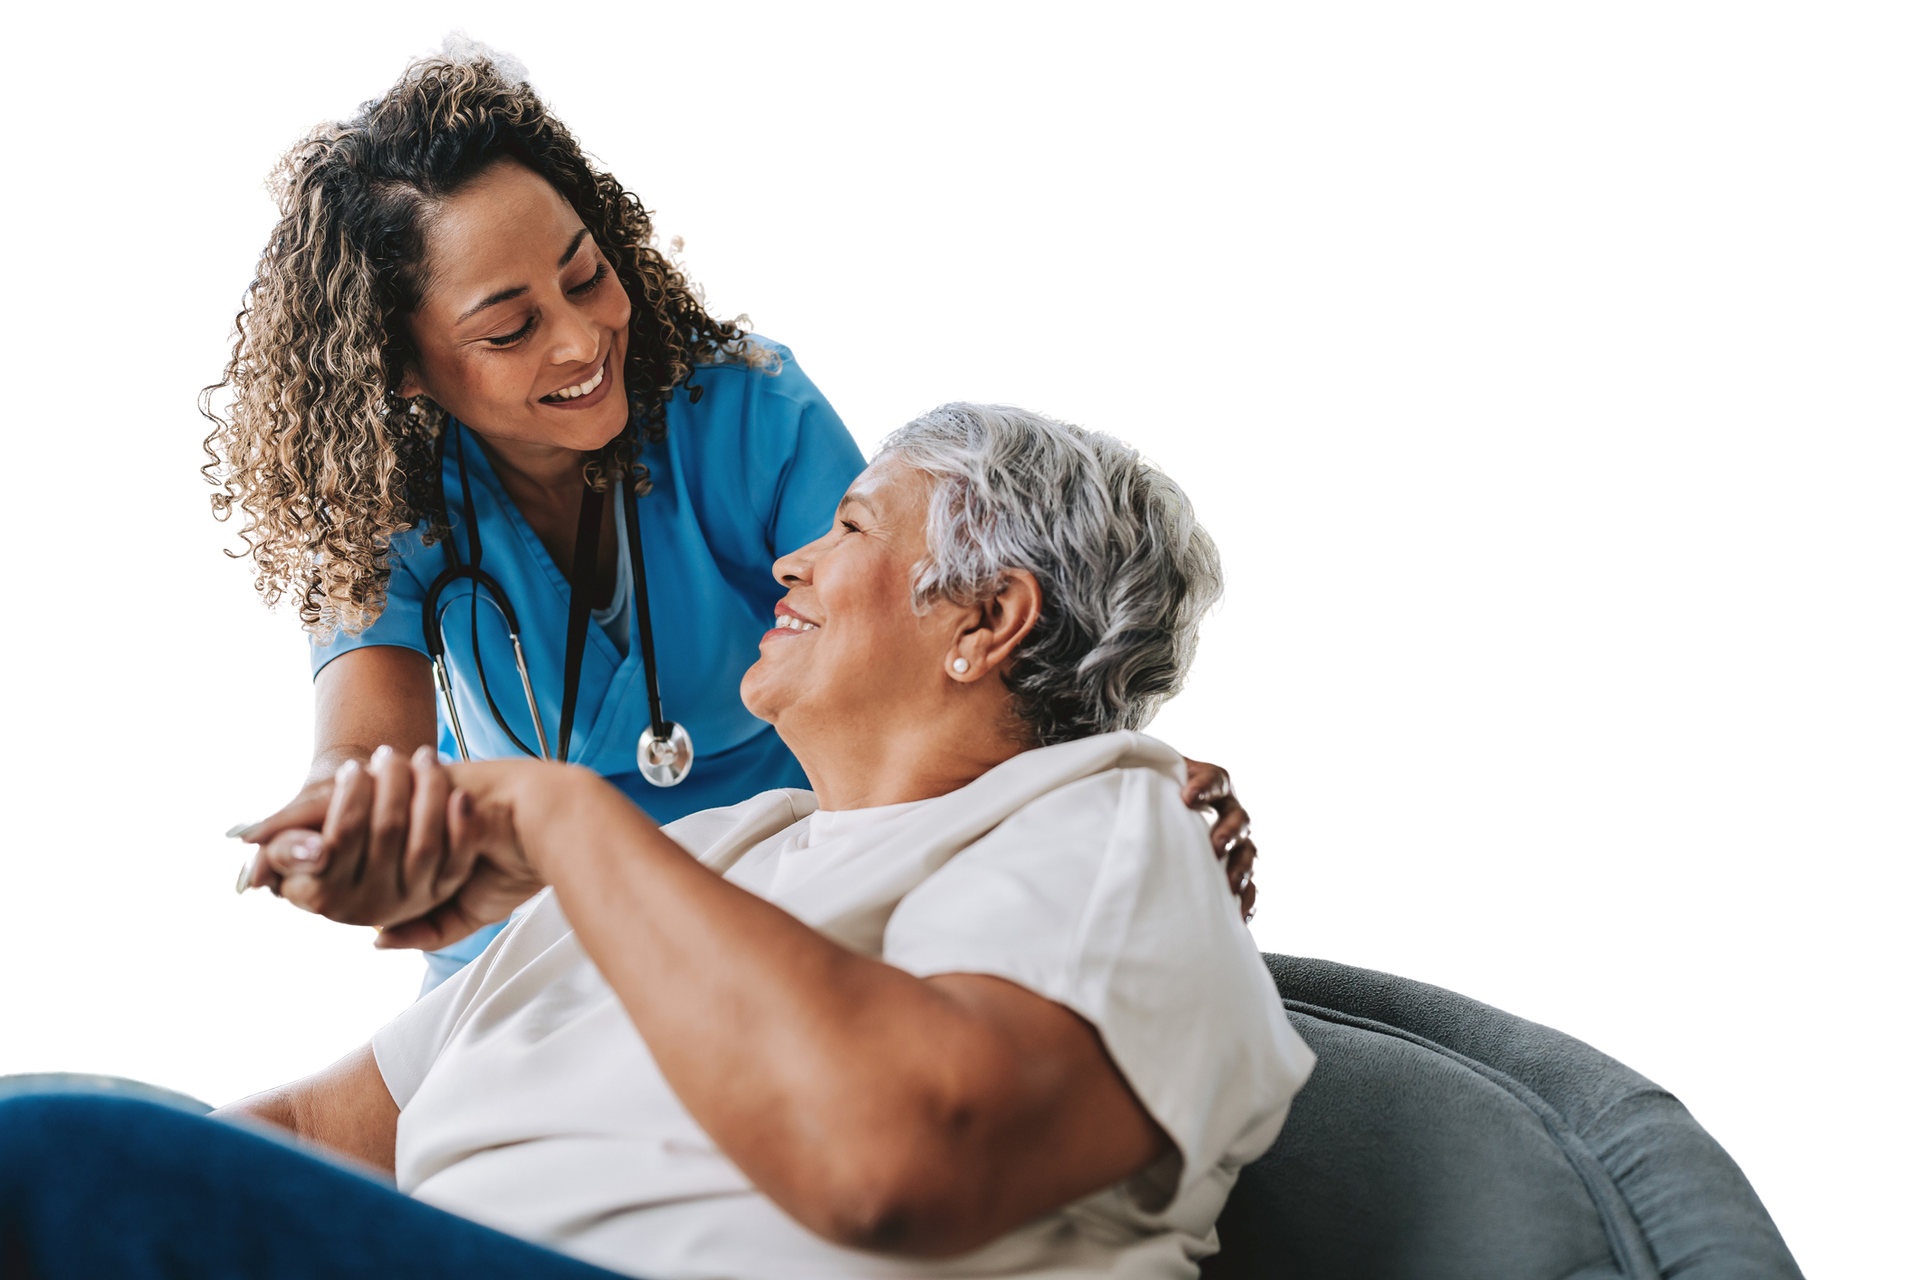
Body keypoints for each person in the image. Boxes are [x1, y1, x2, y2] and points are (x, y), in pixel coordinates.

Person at [5, 400, 1312, 1278]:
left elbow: (895, 1162)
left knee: (53, 1157)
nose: (792, 561)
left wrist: (560, 810)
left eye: (852, 526)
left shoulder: (1112, 829)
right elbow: (306, 1129)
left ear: (986, 621)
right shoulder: (711, 855)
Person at [200, 26, 1262, 993]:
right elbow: (361, 756)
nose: (581, 340)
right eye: (509, 329)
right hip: (515, 949)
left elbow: (929, 644)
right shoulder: (387, 498)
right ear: (399, 367)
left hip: (768, 908)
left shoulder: (751, 410)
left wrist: (1121, 778)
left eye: (586, 275)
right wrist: (342, 829)